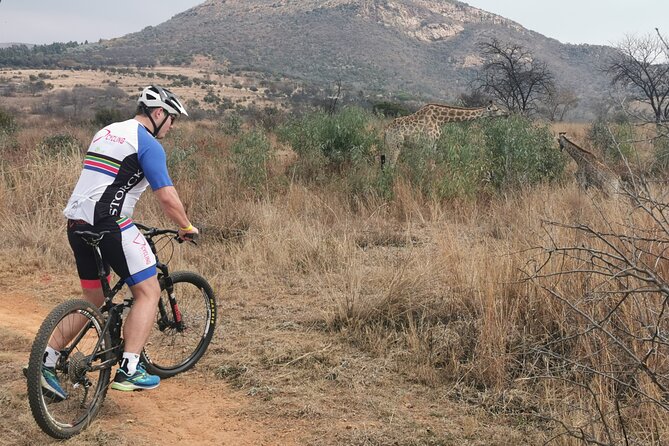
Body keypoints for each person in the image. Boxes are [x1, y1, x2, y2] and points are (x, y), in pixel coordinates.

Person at [42, 85, 198, 399]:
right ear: (157, 114)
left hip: (76, 223)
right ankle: (130, 368)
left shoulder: (107, 130)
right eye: (171, 119)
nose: (172, 126)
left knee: (94, 300)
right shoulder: (149, 144)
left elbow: (106, 180)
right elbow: (167, 197)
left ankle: (45, 362)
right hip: (108, 223)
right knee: (148, 290)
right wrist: (186, 226)